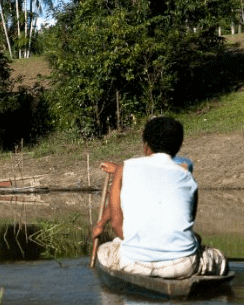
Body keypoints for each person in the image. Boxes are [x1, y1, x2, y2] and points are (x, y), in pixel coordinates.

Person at [92, 116, 227, 278]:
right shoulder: (187, 176)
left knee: (104, 251)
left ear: (146, 146)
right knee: (218, 257)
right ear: (178, 147)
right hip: (182, 266)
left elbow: (116, 224)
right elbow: (189, 223)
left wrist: (138, 246)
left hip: (133, 264)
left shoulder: (122, 170)